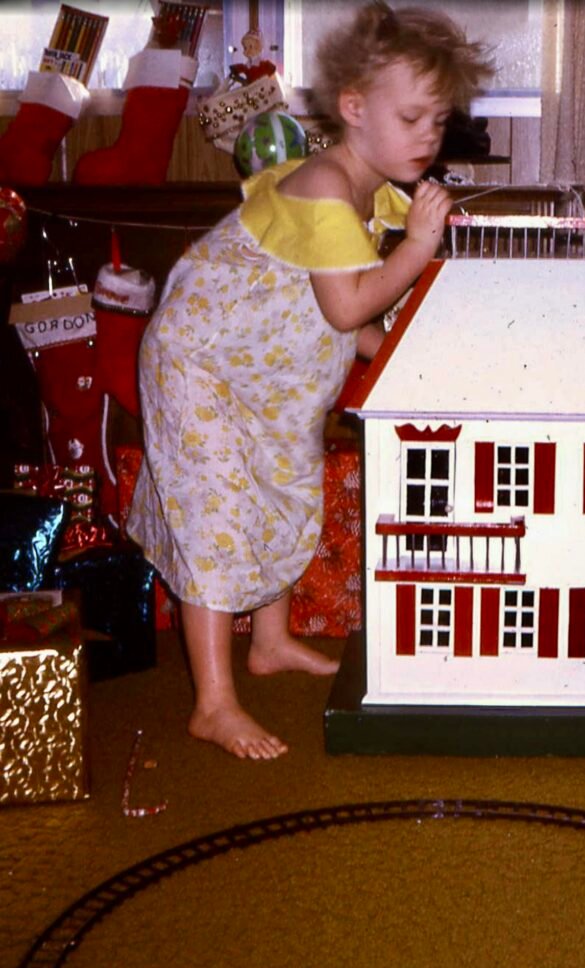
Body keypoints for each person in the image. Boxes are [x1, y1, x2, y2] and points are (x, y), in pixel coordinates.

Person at [128, 2, 493, 760]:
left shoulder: (370, 190)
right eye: (413, 117)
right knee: (216, 516)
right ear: (354, 109)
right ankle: (214, 702)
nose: (429, 135)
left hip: (265, 374)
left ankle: (270, 643)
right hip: (203, 363)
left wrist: (388, 350)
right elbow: (349, 300)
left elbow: (342, 316)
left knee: (289, 484)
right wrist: (419, 248)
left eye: (439, 120)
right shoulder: (328, 188)